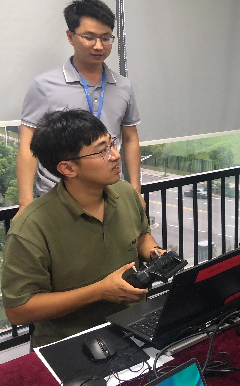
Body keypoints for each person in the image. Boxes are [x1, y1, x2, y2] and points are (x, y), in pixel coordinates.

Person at [2, 109, 163, 348]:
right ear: (68, 168)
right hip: (70, 344)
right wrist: (99, 291)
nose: (115, 155)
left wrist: (155, 253)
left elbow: (140, 236)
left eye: (111, 144)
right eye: (102, 151)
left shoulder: (125, 192)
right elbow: (19, 310)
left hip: (134, 325)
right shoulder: (31, 227)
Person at [17, 0, 142, 214]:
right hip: (57, 197)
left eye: (106, 38)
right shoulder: (44, 85)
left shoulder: (123, 86)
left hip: (111, 193)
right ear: (70, 36)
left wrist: (135, 190)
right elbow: (28, 144)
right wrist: (25, 202)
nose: (99, 46)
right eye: (89, 37)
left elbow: (130, 138)